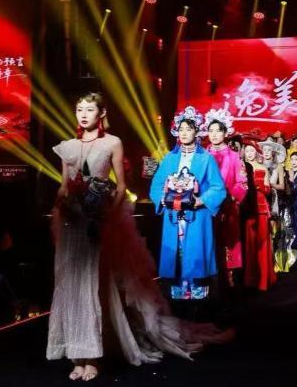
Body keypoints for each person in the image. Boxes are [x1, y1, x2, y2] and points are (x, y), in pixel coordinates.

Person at [47, 94, 218, 381]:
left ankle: (93, 354)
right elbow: (64, 186)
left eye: (89, 109)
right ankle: (76, 354)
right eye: (79, 109)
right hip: (72, 224)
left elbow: (120, 187)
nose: (83, 114)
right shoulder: (67, 146)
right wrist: (61, 206)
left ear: (101, 113)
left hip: (99, 223)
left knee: (95, 286)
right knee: (70, 286)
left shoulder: (112, 143)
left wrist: (105, 214)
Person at [149, 106, 227, 300]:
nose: (184, 133)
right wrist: (163, 199)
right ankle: (178, 292)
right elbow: (156, 185)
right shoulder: (170, 158)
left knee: (194, 250)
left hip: (196, 215)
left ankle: (197, 293)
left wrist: (201, 200)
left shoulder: (206, 158)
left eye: (188, 129)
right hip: (173, 215)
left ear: (196, 132)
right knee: (176, 252)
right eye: (181, 129)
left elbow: (218, 188)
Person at [203, 109, 248, 288]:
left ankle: (229, 277)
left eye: (218, 131)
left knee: (228, 242)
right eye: (211, 131)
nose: (214, 134)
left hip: (228, 207)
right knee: (208, 242)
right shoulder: (202, 156)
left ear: (225, 133)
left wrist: (229, 197)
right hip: (205, 207)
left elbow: (242, 182)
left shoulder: (234, 157)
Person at [241, 140, 277, 291]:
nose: (249, 154)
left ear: (256, 152)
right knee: (249, 243)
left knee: (262, 242)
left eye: (252, 151)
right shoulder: (241, 167)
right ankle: (250, 279)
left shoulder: (262, 168)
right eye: (247, 151)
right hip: (247, 208)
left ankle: (263, 278)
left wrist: (258, 186)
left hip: (261, 207)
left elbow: (268, 189)